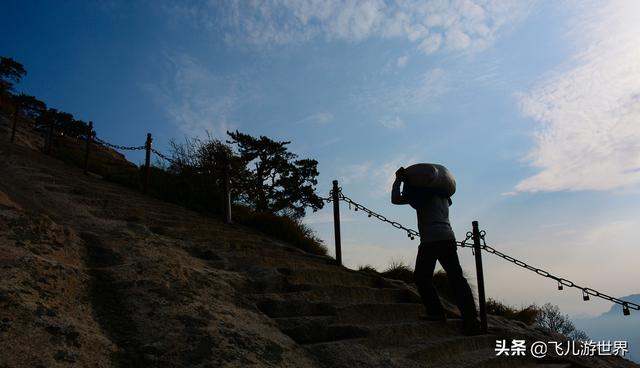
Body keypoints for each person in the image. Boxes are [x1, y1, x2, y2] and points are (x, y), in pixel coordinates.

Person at [391, 166, 481, 336]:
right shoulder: (444, 195)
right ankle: (471, 319)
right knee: (457, 279)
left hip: (431, 240)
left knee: (421, 277)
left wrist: (400, 180)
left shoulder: (422, 194)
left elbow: (396, 199)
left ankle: (436, 312)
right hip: (448, 238)